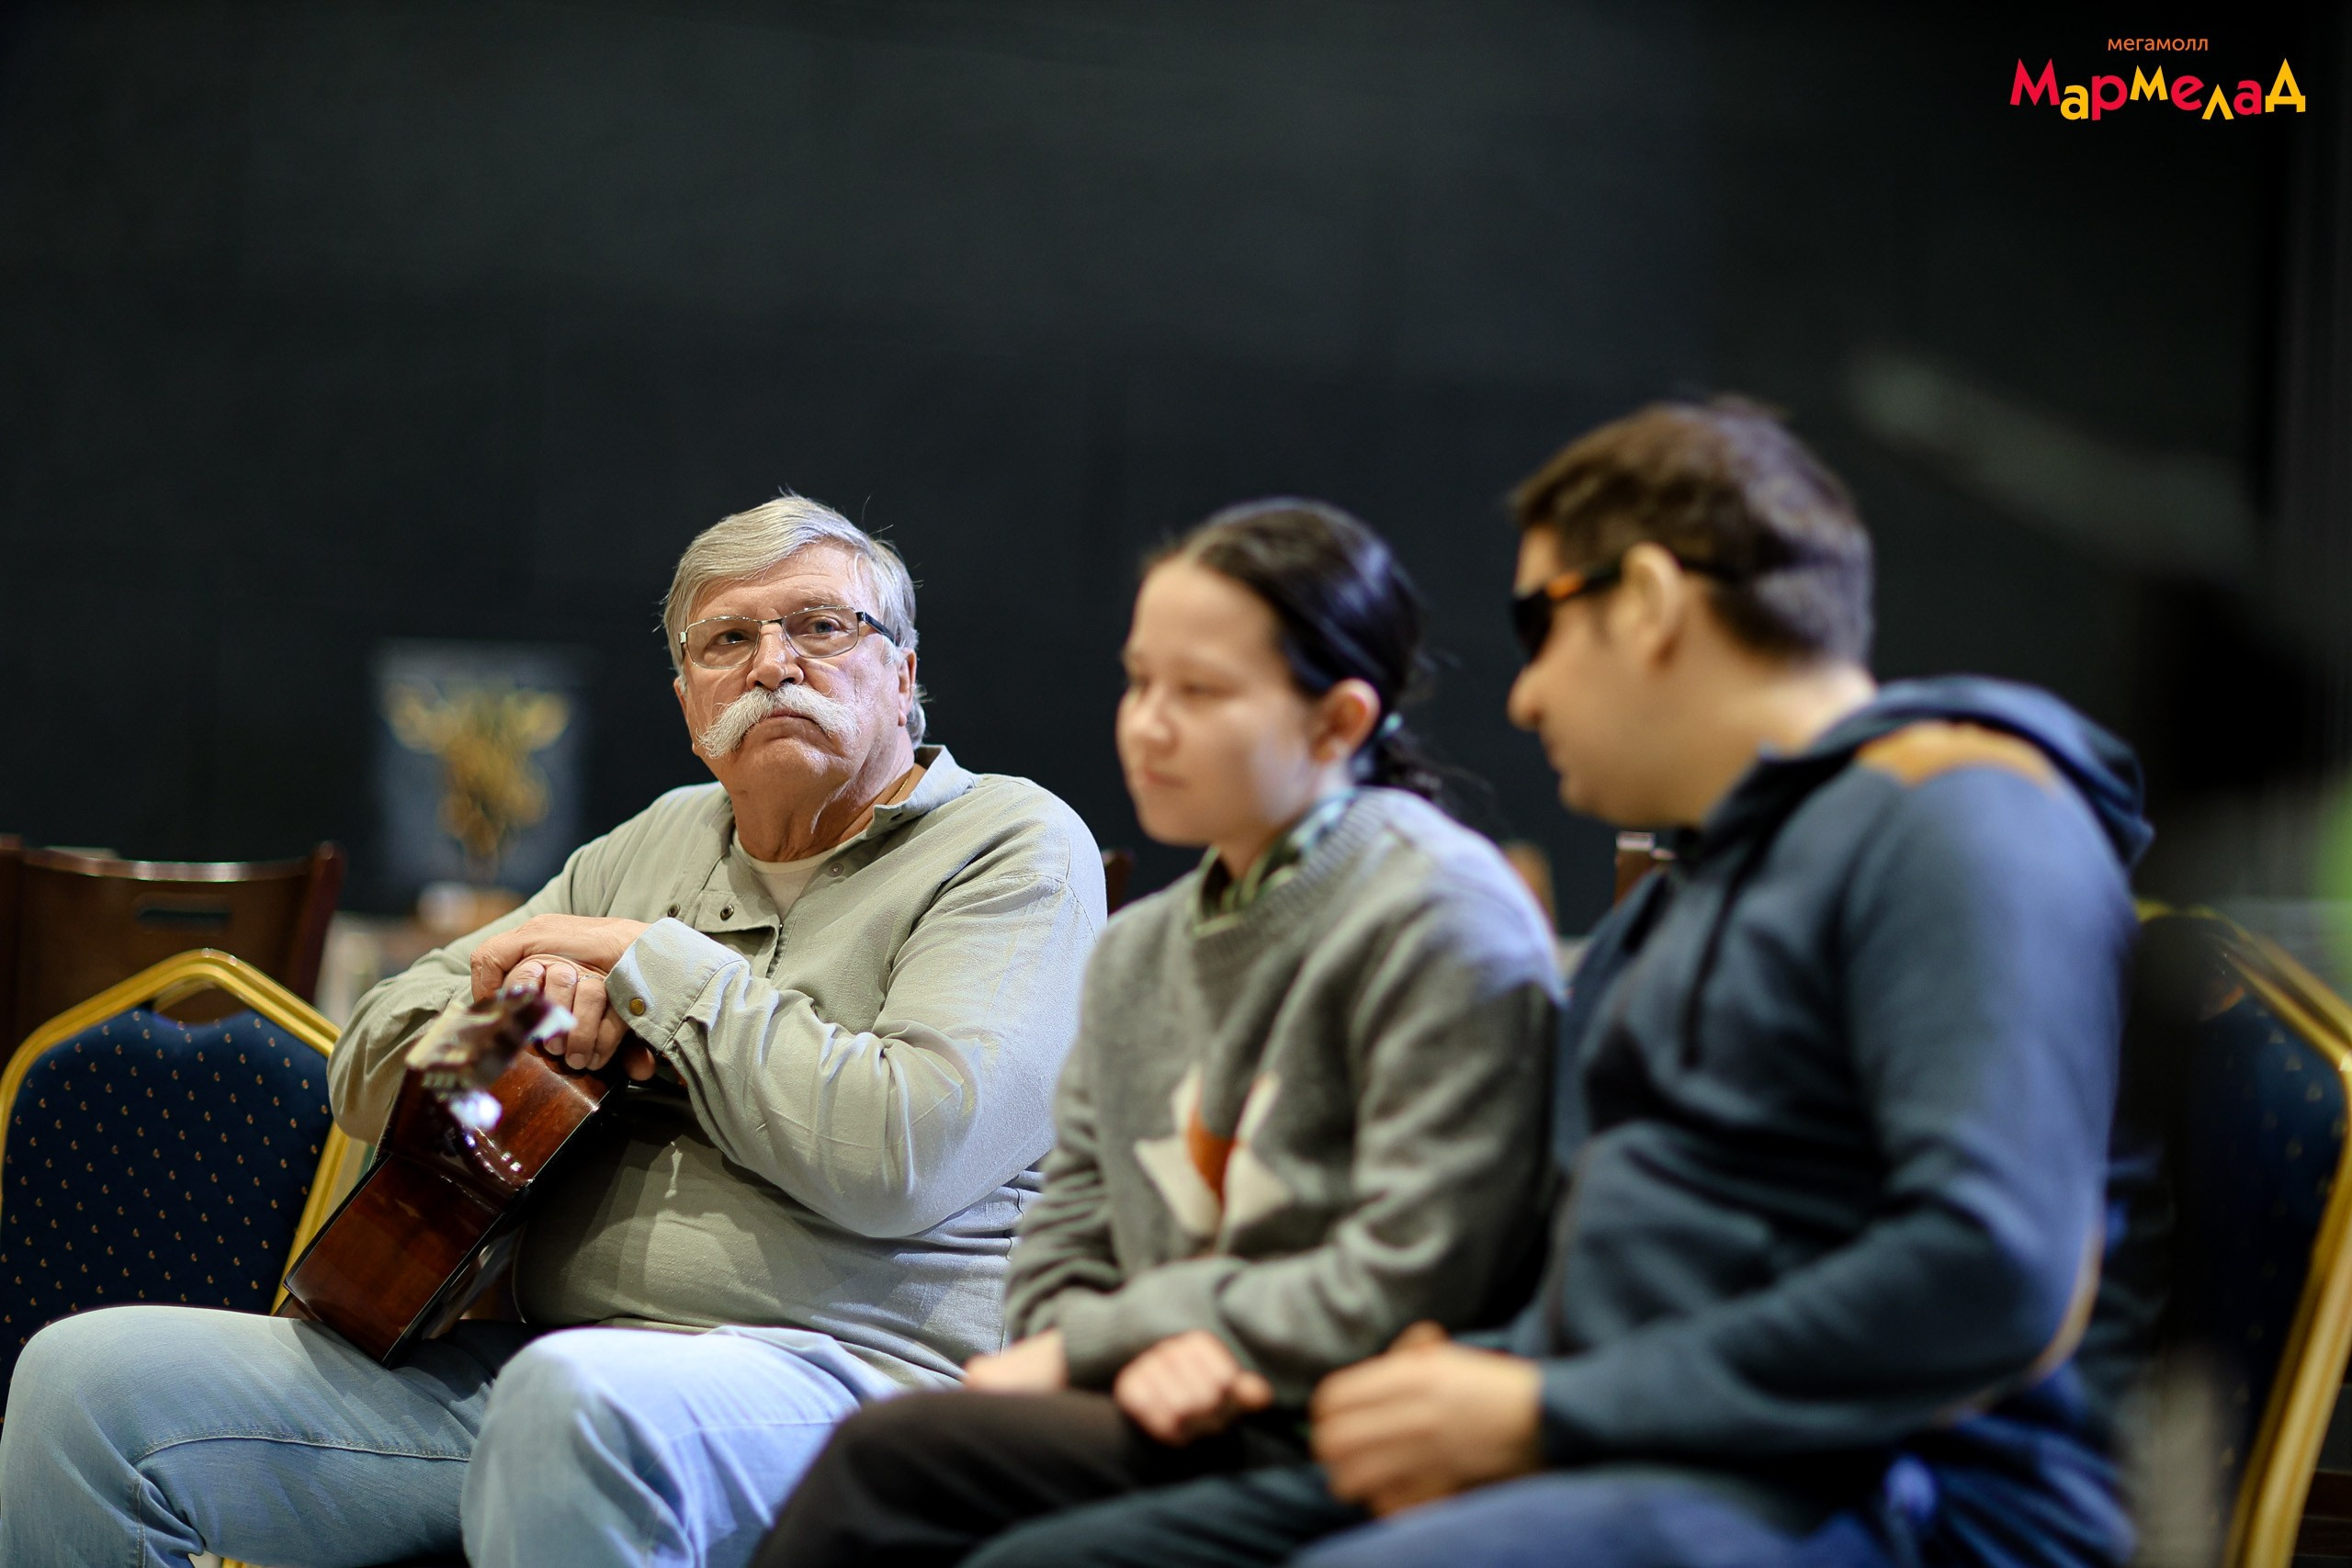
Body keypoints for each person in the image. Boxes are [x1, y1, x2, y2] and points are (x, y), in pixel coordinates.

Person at [941, 400, 2155, 1568]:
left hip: (1892, 1492)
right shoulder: (1694, 887)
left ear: (1652, 604)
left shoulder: (1966, 817)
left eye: (1541, 624)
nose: (1523, 695)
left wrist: (1544, 1405)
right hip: (1641, 1443)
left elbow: (1990, 1268)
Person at [0, 497, 1105, 1568]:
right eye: (728, 639)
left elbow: (903, 1153)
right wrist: (518, 1016)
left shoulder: (1011, 843)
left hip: (851, 1386)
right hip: (534, 1369)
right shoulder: (661, 842)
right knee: (86, 1386)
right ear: (687, 703)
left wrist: (648, 972)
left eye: (820, 626)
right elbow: (373, 1052)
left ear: (903, 675)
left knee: (571, 1403)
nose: (774, 663)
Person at [754, 498, 1563, 1568]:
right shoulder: (1141, 949)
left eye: (1202, 692)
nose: (1148, 725)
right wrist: (1130, 1353)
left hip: (1356, 1417)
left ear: (1340, 724)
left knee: (911, 1476)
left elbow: (1414, 1268)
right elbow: (1054, 1253)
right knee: (897, 1461)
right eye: (1140, 683)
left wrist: (1138, 1340)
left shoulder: (1438, 917)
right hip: (1164, 1394)